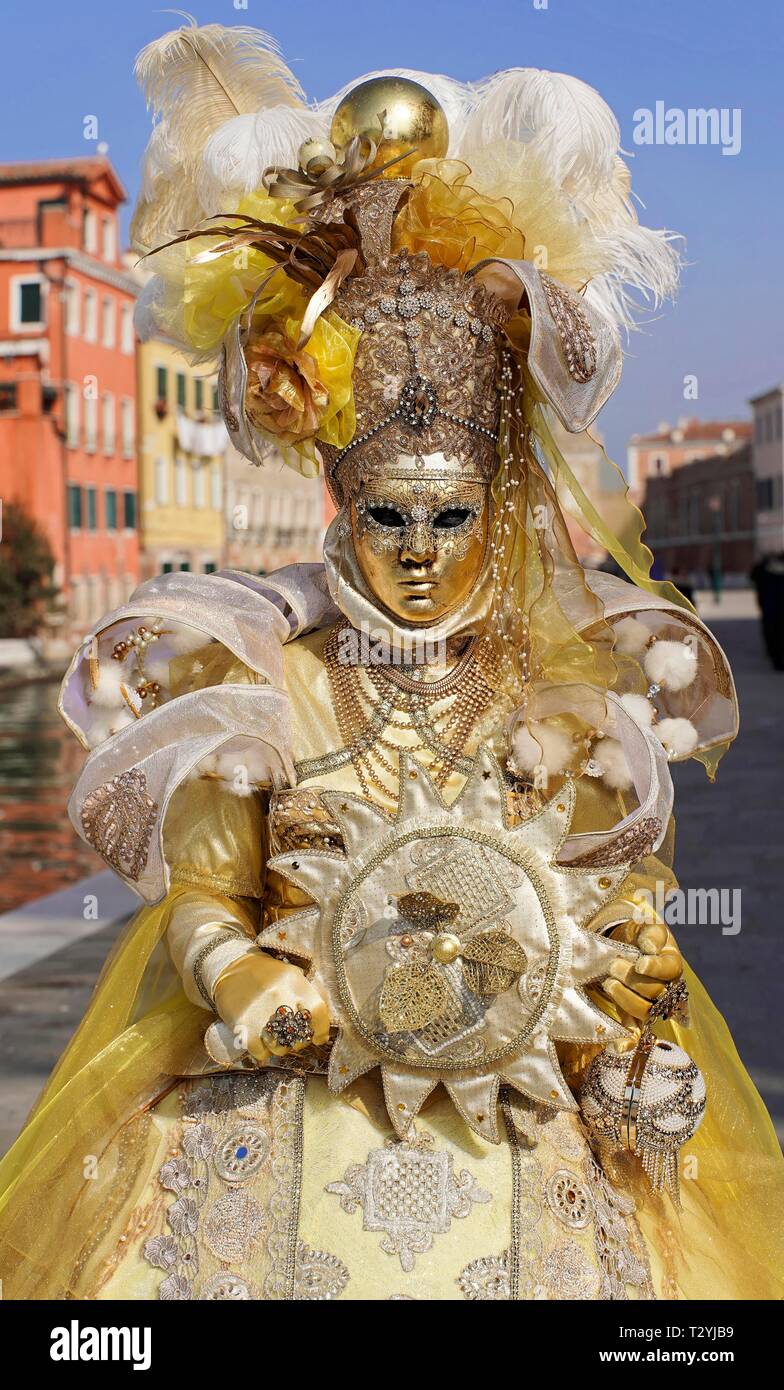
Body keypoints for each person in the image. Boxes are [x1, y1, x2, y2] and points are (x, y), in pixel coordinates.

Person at [0, 19, 781, 1301]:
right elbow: (202, 897)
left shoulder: (561, 694)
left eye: (452, 517)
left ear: (499, 508)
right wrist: (237, 971)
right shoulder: (253, 681)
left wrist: (640, 1007)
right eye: (388, 517)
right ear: (339, 504)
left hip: (517, 1125)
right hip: (275, 1120)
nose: (419, 553)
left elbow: (611, 915)